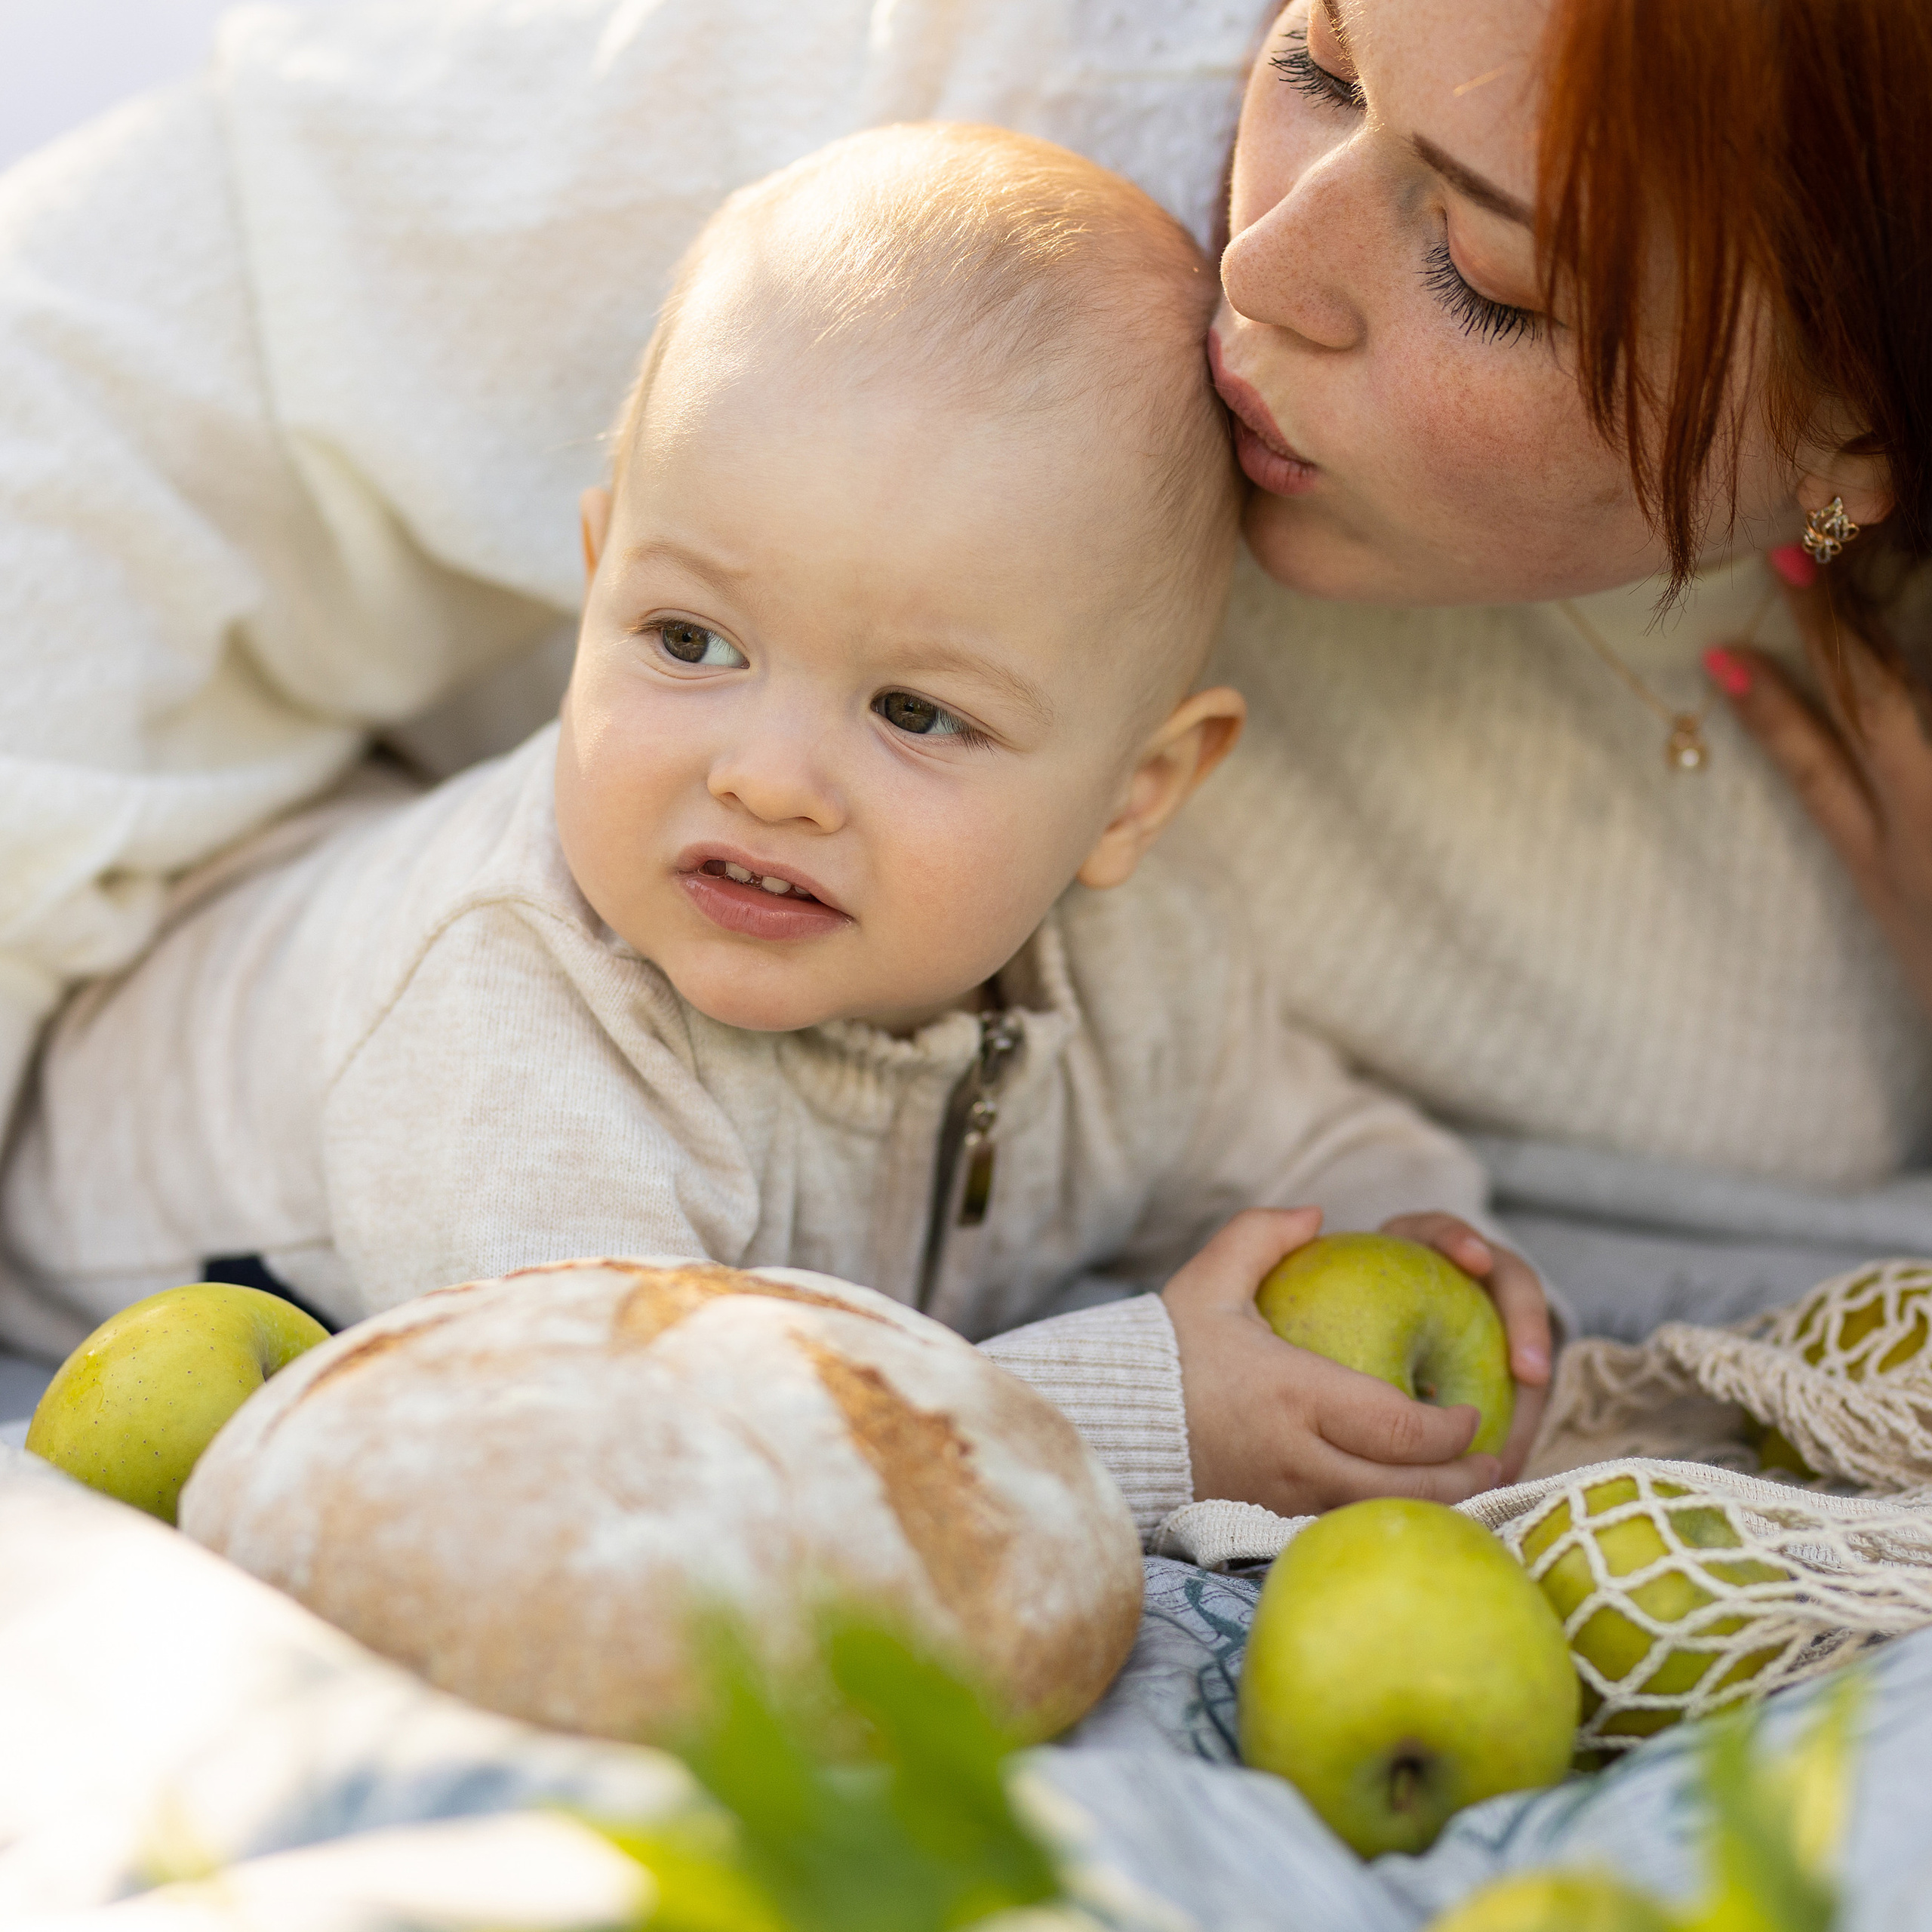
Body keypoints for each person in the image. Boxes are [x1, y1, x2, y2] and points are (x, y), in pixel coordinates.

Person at [0, 0, 1924, 1456]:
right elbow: (629, 1435)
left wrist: (1411, 1243)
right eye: (1315, 57)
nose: (1255, 265)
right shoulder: (968, 162)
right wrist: (1134, 1405)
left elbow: (1259, 1112)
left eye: (1485, 272)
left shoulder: (1127, 961)